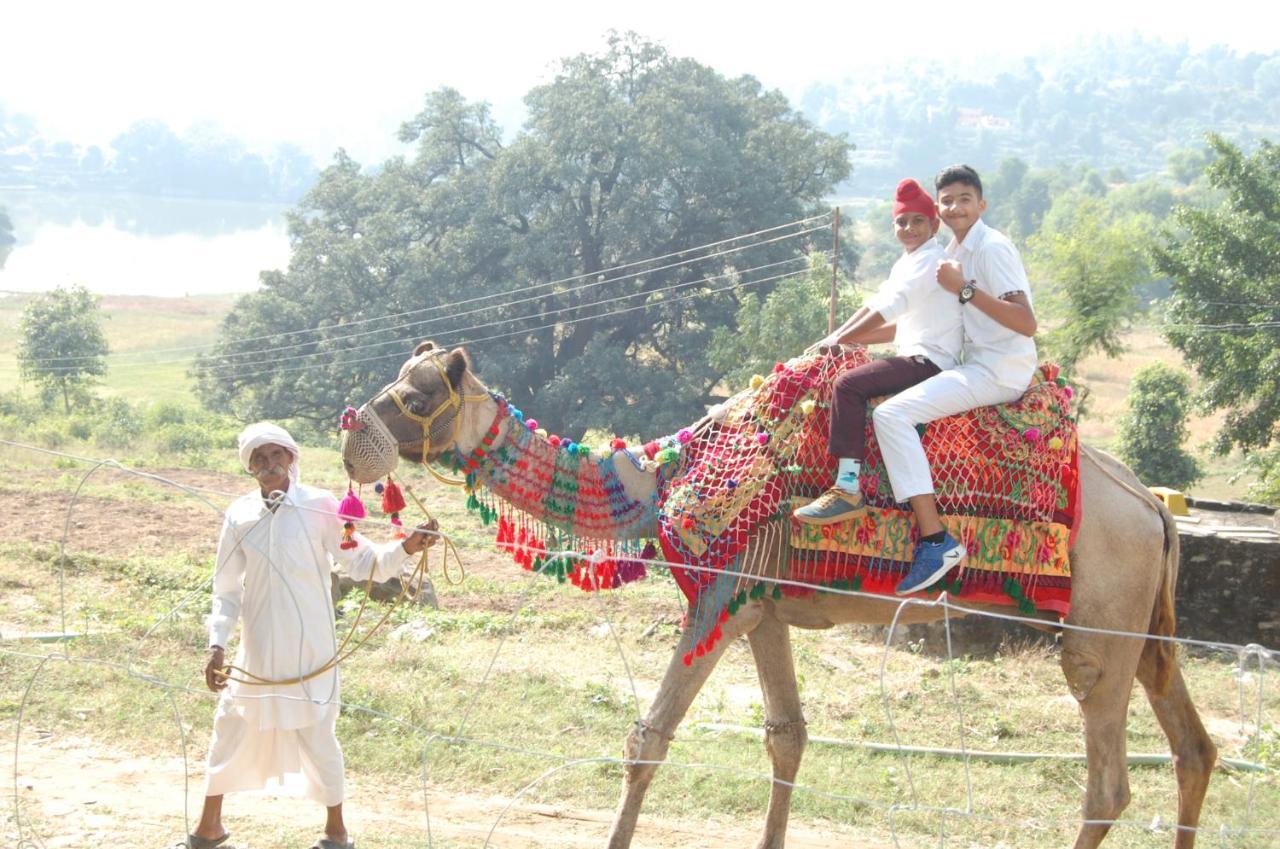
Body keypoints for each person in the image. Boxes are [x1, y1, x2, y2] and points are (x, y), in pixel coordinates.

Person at [183, 423, 437, 849]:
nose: (269, 466)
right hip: (257, 649)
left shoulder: (323, 506)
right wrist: (217, 644)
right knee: (229, 727)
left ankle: (336, 833)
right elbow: (226, 588)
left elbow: (359, 560)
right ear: (249, 467)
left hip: (311, 648)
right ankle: (209, 828)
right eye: (258, 460)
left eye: (276, 456)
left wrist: (406, 548)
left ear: (291, 458)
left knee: (318, 734)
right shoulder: (239, 514)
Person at [874, 164, 1039, 595]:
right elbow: (916, 320)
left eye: (965, 199)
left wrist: (964, 289)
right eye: (947, 200)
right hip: (974, 363)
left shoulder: (991, 249)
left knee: (892, 416)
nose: (955, 207)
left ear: (981, 204)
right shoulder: (954, 250)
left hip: (999, 369)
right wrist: (847, 341)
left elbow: (1026, 322)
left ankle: (935, 540)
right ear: (939, 209)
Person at [794, 177, 962, 525]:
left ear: (933, 224)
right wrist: (840, 336)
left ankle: (847, 488)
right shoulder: (907, 261)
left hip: (929, 361)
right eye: (902, 222)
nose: (909, 228)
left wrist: (840, 339)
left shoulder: (931, 262)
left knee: (847, 385)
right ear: (893, 227)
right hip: (915, 353)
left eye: (917, 220)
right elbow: (880, 306)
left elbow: (890, 308)